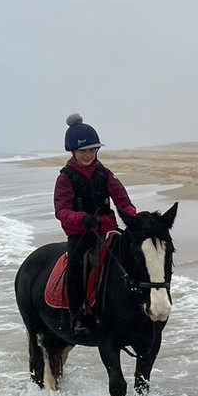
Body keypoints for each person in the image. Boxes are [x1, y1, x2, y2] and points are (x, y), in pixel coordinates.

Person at [54, 114, 138, 335]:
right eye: (84, 151)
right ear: (73, 152)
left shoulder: (105, 174)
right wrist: (81, 218)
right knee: (75, 267)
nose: (88, 155)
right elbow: (61, 211)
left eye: (92, 150)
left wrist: (133, 219)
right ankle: (76, 315)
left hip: (106, 231)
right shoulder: (65, 178)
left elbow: (123, 201)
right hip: (80, 235)